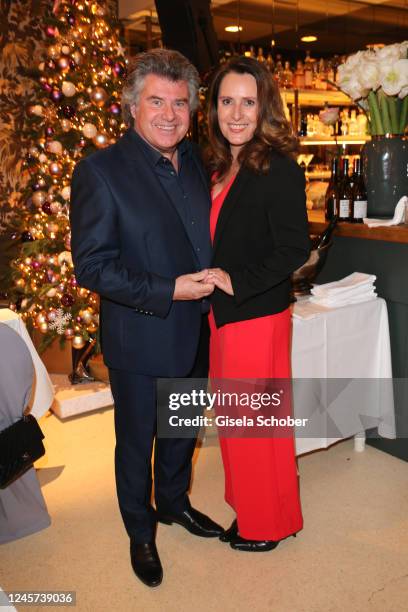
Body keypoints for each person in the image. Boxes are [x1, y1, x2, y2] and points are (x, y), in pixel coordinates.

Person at [70, 48, 223, 588]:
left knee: (181, 431)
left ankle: (174, 503)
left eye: (180, 103)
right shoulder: (100, 171)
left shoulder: (199, 162)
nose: (169, 114)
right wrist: (169, 290)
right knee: (137, 441)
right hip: (141, 333)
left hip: (198, 331)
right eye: (156, 101)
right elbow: (91, 266)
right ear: (132, 106)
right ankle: (140, 529)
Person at [204, 56, 310, 551]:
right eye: (228, 101)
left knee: (256, 428)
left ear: (266, 107)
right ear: (215, 107)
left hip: (257, 315)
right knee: (236, 424)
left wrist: (235, 280)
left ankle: (268, 524)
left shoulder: (279, 168)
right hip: (225, 317)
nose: (237, 113)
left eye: (249, 102)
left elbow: (293, 250)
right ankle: (250, 510)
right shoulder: (224, 163)